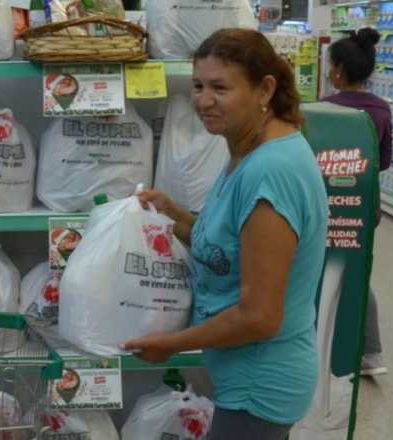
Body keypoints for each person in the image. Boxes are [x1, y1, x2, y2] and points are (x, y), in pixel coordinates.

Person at [122, 29, 329, 440]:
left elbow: (260, 316)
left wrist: (172, 343)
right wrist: (174, 215)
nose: (202, 101)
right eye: (198, 86)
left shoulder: (270, 170)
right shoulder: (247, 148)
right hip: (247, 377)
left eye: (220, 87)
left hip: (260, 383)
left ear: (264, 88)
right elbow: (234, 246)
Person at [322, 27, 392, 377]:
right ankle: (370, 352)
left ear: (337, 71)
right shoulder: (381, 110)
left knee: (322, 271)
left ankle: (329, 343)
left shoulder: (323, 110)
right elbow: (385, 160)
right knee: (357, 272)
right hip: (364, 207)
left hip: (326, 206)